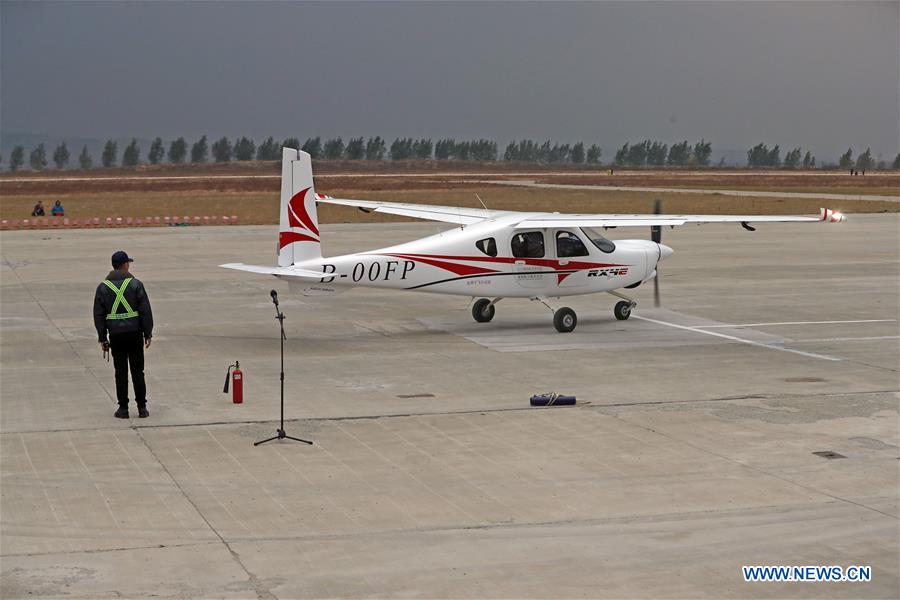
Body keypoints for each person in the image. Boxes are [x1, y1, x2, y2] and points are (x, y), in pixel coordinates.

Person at [93, 251, 154, 418]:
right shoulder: (136, 284)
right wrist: (148, 333)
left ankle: (123, 409)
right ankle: (142, 408)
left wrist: (102, 337)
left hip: (116, 335)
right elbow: (145, 311)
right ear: (125, 265)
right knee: (138, 371)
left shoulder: (103, 287)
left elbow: (98, 315)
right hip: (134, 334)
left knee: (120, 372)